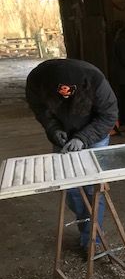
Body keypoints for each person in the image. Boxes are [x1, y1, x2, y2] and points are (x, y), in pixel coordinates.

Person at [25, 58, 118, 250]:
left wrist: (83, 138)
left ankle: (91, 241)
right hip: (63, 136)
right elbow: (40, 110)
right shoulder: (36, 80)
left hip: (94, 133)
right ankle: (88, 227)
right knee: (72, 189)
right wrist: (53, 129)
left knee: (93, 188)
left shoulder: (96, 80)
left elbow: (109, 115)